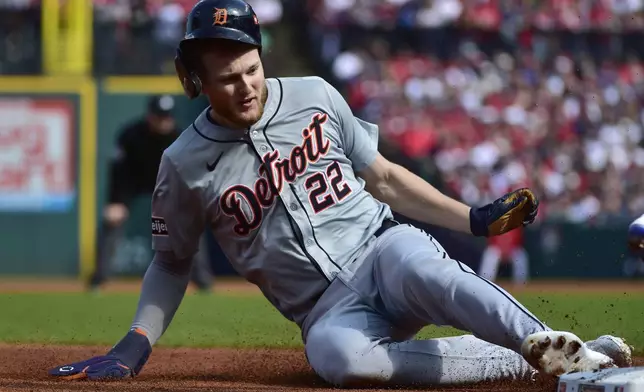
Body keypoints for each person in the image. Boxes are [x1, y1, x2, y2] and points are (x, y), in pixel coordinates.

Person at [49, 0, 632, 386]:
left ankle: (555, 350)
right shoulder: (182, 164)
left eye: (250, 67)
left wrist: (472, 220)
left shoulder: (313, 94)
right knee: (339, 362)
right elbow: (171, 263)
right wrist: (135, 343)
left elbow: (380, 176)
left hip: (381, 248)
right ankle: (525, 363)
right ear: (194, 81)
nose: (245, 83)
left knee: (426, 270)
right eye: (226, 77)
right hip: (323, 310)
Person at [88, 95, 214, 293]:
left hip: (168, 185)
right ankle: (98, 278)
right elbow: (119, 172)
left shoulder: (181, 138)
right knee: (111, 221)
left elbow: (190, 174)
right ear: (150, 116)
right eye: (159, 117)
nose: (164, 121)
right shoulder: (131, 135)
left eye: (167, 117)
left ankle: (202, 279)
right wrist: (116, 202)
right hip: (134, 183)